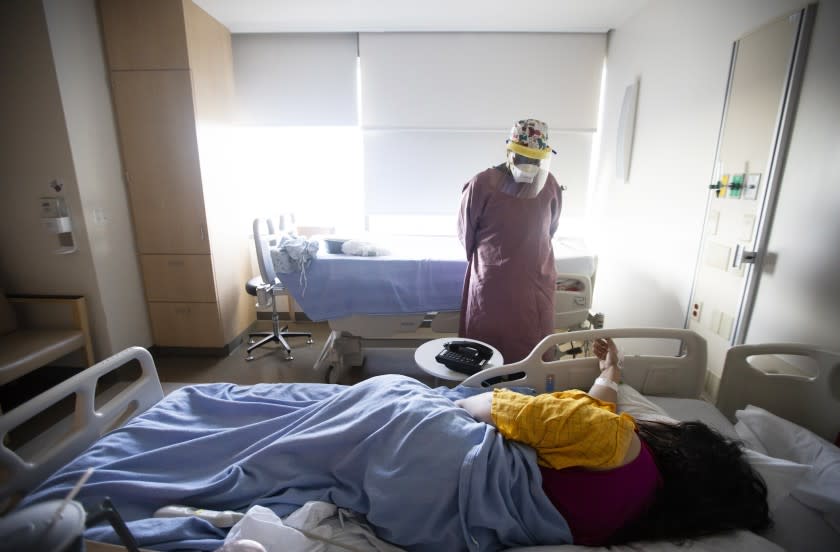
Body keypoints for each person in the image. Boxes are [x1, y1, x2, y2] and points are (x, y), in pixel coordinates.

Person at [455, 337, 771, 546]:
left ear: (684, 448)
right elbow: (589, 425)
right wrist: (611, 372)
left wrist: (448, 403)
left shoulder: (617, 441)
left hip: (460, 457)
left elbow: (491, 408)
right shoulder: (625, 519)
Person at [457, 118, 563, 363]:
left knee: (532, 350)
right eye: (524, 158)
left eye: (535, 160)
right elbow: (466, 232)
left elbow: (551, 228)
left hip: (535, 281)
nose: (529, 166)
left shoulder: (549, 185)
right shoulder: (482, 184)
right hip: (493, 283)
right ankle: (485, 396)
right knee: (486, 352)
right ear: (510, 153)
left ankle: (529, 396)